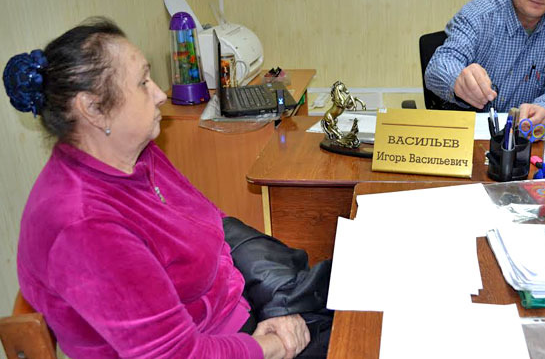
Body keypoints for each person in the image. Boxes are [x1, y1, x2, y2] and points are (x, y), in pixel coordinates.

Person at [3, 18, 329, 359]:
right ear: (93, 109)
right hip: (223, 344)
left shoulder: (135, 154)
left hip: (240, 308)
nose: (160, 95)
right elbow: (178, 355)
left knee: (353, 301)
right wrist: (278, 344)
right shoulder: (84, 226)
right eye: (143, 82)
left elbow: (209, 220)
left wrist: (279, 304)